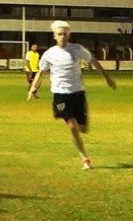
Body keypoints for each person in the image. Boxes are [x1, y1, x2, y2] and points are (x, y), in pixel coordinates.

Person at [28, 20, 116, 170]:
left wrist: (107, 78)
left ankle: (81, 133)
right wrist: (33, 89)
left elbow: (94, 61)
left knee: (83, 129)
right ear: (54, 36)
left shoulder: (77, 49)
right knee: (71, 126)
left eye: (65, 34)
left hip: (78, 93)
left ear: (69, 34)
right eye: (59, 34)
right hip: (60, 95)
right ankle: (85, 158)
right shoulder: (49, 54)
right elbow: (41, 73)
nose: (62, 36)